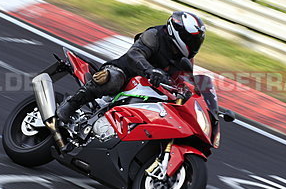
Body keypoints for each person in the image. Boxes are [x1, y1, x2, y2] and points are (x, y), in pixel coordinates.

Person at [55, 11, 206, 126]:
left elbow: (188, 83)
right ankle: (71, 105)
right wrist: (149, 70)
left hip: (155, 90)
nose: (193, 45)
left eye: (196, 42)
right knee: (112, 79)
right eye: (190, 40)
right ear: (178, 32)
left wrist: (207, 105)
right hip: (125, 73)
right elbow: (135, 54)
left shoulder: (185, 60)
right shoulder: (154, 35)